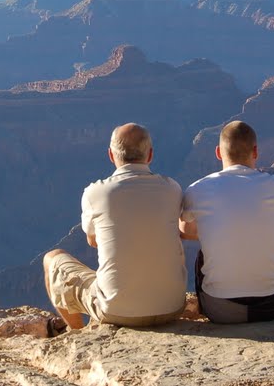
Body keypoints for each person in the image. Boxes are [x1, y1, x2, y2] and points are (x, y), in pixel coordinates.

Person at [42, 123, 187, 329]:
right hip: (172, 306)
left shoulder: (95, 193)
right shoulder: (172, 188)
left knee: (52, 259)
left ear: (111, 155)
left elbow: (93, 241)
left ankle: (76, 331)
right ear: (150, 155)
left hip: (117, 310)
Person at [180, 120, 274, 323]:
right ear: (255, 151)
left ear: (218, 153)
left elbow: (184, 231)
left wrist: (221, 229)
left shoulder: (198, 189)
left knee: (205, 247)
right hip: (271, 307)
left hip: (218, 310)